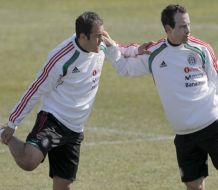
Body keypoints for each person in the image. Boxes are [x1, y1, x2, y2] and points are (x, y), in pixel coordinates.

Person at [0, 11, 144, 190]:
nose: (103, 39)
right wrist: (13, 122)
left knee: (63, 186)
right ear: (83, 37)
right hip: (53, 121)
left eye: (103, 34)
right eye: (98, 36)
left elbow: (119, 48)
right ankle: (1, 132)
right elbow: (35, 89)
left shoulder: (100, 45)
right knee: (29, 161)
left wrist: (138, 50)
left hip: (75, 128)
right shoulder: (61, 59)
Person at [110, 4, 218, 190]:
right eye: (182, 26)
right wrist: (109, 48)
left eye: (188, 24)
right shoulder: (154, 53)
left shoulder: (201, 49)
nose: (188, 30)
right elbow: (124, 67)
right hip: (184, 134)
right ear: (168, 29)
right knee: (194, 187)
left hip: (211, 125)